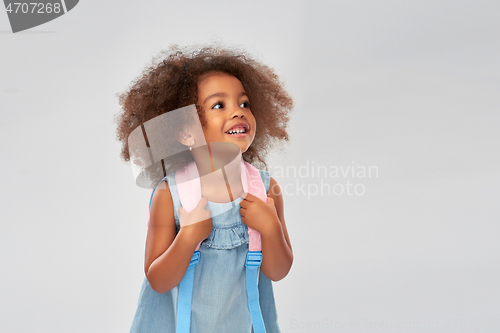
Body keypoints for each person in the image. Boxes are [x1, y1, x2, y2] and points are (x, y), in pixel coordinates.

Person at [114, 44, 294, 332]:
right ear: (187, 133)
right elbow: (158, 281)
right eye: (219, 105)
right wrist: (188, 238)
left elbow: (278, 270)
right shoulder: (170, 195)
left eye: (244, 104)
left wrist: (271, 229)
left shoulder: (266, 189)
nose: (238, 112)